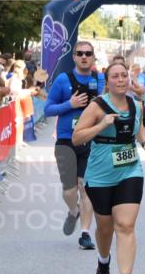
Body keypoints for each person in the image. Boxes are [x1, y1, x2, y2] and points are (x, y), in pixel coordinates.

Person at [72, 60, 145, 274]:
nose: (120, 80)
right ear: (107, 82)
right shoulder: (98, 106)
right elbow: (77, 138)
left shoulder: (135, 104)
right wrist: (101, 125)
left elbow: (138, 130)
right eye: (115, 76)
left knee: (126, 226)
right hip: (99, 174)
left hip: (130, 170)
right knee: (105, 227)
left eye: (124, 76)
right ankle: (103, 259)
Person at [43, 40, 103, 249]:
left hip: (91, 141)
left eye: (88, 53)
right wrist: (70, 104)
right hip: (66, 140)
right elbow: (47, 109)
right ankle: (73, 211)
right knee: (70, 190)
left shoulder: (101, 79)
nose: (84, 56)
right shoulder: (63, 80)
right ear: (74, 57)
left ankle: (85, 233)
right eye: (80, 53)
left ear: (94, 57)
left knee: (85, 188)